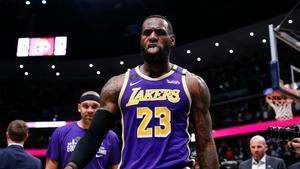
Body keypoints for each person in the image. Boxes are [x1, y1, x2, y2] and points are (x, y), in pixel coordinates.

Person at [65, 15, 219, 169]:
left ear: (172, 40)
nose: (152, 36)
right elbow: (94, 136)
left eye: (159, 32)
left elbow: (205, 144)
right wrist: (72, 166)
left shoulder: (192, 84)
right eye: (147, 33)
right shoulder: (117, 85)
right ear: (141, 40)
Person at [46, 91, 120, 169]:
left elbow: (116, 166)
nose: (90, 110)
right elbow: (51, 165)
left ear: (100, 109)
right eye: (85, 106)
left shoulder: (111, 136)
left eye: (94, 107)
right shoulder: (60, 133)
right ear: (79, 108)